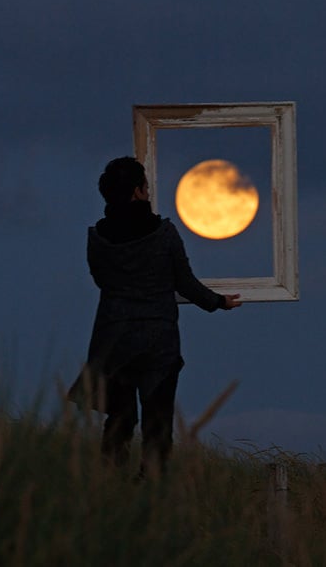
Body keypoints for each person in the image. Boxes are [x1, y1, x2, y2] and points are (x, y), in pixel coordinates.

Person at [68, 156, 241, 477]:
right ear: (137, 191)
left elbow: (100, 280)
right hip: (157, 342)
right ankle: (151, 489)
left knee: (120, 418)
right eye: (145, 186)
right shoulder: (164, 233)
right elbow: (185, 283)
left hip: (114, 339)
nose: (148, 192)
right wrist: (220, 302)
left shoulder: (97, 237)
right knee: (157, 422)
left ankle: (110, 483)